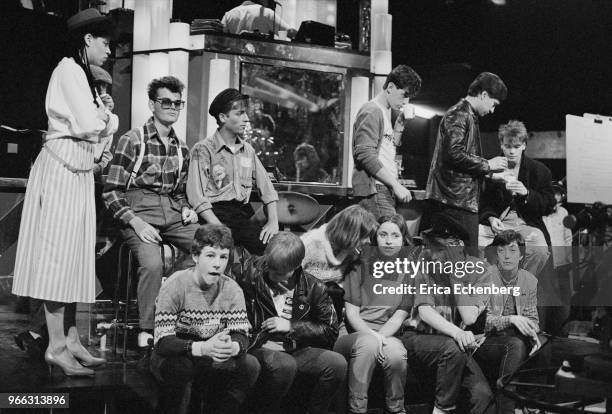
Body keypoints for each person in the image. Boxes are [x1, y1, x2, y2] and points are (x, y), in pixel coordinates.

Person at [12, 8, 115, 376]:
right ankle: (55, 345)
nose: (109, 51)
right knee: (58, 257)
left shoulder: (84, 77)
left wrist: (103, 119)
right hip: (62, 168)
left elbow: (100, 133)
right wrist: (103, 118)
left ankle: (71, 338)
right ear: (87, 40)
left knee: (74, 258)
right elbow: (91, 125)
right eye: (105, 43)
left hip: (79, 170)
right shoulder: (68, 70)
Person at [103, 75, 200, 348]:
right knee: (153, 263)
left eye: (177, 103)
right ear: (152, 104)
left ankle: (186, 319)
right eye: (165, 101)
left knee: (209, 246)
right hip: (138, 210)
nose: (172, 107)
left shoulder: (182, 148)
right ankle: (148, 329)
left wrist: (187, 209)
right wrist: (135, 223)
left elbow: (179, 192)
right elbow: (110, 191)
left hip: (170, 211)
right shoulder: (133, 139)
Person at [231, 232, 346, 414]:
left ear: (296, 266)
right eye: (271, 268)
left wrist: (291, 326)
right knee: (284, 364)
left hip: (294, 347)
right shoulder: (248, 274)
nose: (273, 275)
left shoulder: (314, 287)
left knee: (336, 363)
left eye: (280, 273)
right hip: (258, 344)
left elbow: (330, 331)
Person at [151, 225, 259, 414]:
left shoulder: (232, 289)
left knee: (250, 365)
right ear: (195, 256)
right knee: (181, 368)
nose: (217, 264)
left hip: (212, 353)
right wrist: (201, 348)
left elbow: (241, 334)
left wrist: (230, 347)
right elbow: (163, 342)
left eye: (223, 257)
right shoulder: (175, 285)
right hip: (175, 354)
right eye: (210, 256)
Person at [401, 231, 494, 414]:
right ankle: (441, 410)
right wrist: (458, 333)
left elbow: (469, 317)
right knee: (452, 347)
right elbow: (425, 311)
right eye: (431, 247)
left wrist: (455, 275)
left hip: (451, 344)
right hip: (417, 337)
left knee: (483, 395)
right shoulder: (424, 266)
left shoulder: (478, 269)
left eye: (439, 249)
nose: (432, 254)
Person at [334, 214, 415, 414]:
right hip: (353, 334)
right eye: (383, 234)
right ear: (374, 237)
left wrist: (381, 337)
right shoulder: (358, 266)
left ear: (403, 239)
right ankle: (357, 409)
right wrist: (374, 337)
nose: (388, 241)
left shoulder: (409, 272)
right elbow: (352, 315)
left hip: (387, 333)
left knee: (396, 353)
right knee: (369, 344)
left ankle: (396, 409)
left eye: (395, 235)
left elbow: (399, 316)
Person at [187, 88, 279, 255]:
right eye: (239, 114)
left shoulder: (248, 150)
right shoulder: (203, 149)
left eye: (245, 114)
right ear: (223, 117)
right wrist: (220, 229)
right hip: (213, 215)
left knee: (276, 250)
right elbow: (196, 197)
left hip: (241, 215)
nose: (246, 119)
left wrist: (273, 221)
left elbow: (268, 190)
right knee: (225, 254)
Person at [425, 72, 509, 255]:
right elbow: (453, 153)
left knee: (465, 258)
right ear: (484, 95)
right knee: (466, 258)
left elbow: (461, 160)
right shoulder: (460, 115)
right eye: (493, 104)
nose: (492, 110)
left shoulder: (466, 115)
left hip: (458, 199)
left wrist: (492, 175)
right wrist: (487, 165)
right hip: (454, 200)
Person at [474, 230, 540, 414]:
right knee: (515, 345)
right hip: (483, 339)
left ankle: (533, 405)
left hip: (512, 336)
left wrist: (532, 332)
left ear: (521, 255)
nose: (507, 256)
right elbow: (481, 323)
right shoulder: (485, 276)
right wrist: (511, 319)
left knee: (542, 343)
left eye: (512, 250)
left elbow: (533, 318)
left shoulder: (529, 280)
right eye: (501, 251)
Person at [478, 120, 555, 277]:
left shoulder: (539, 171)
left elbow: (548, 205)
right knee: (472, 242)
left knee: (540, 250)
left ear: (524, 145)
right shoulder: (490, 168)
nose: (512, 151)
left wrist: (527, 194)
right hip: (496, 225)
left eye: (516, 146)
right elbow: (482, 202)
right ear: (501, 145)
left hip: (524, 225)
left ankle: (521, 284)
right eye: (507, 146)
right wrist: (491, 218)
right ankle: (484, 291)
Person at [352, 64, 422, 219]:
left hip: (382, 188)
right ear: (390, 87)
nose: (406, 101)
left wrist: (399, 127)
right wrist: (396, 185)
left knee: (386, 239)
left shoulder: (385, 112)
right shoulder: (372, 110)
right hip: (375, 189)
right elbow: (364, 154)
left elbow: (386, 151)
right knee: (388, 240)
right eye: (404, 94)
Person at [222, 0, 294, 37]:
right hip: (257, 62)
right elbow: (290, 33)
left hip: (235, 61)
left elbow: (220, 40)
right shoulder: (266, 13)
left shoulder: (229, 14)